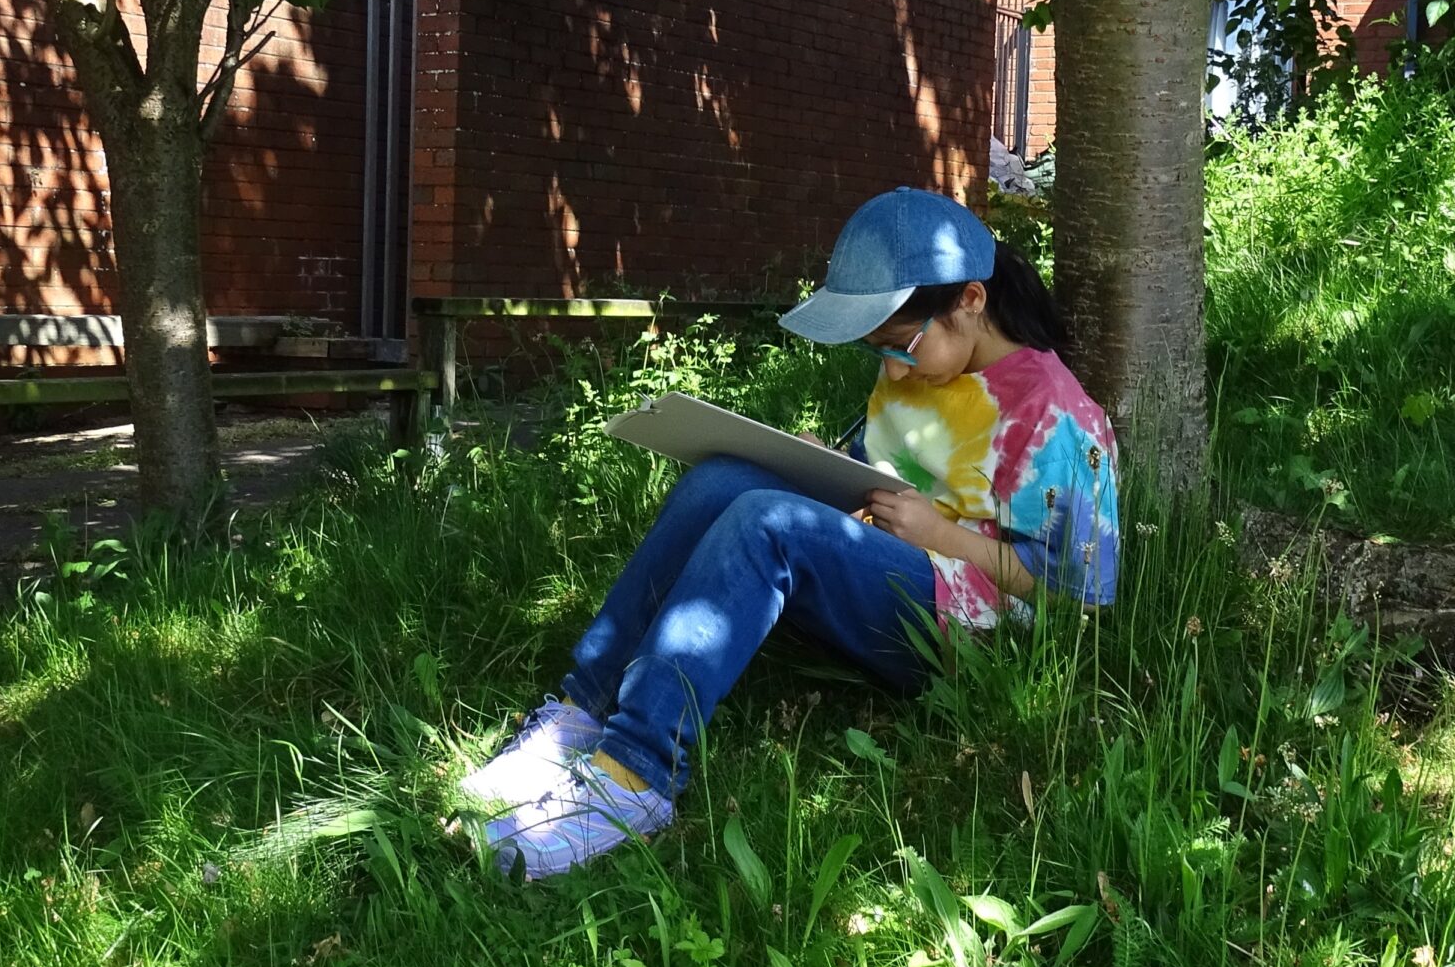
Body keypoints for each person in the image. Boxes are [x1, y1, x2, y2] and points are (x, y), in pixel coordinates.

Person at [461, 187, 1120, 881]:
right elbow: (883, 470)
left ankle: (633, 777)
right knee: (724, 480)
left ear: (972, 300)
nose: (892, 368)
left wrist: (942, 534)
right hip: (885, 566)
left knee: (763, 522)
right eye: (879, 351)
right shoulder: (927, 364)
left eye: (902, 346)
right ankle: (579, 712)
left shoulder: (1058, 414)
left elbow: (1078, 586)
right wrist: (824, 461)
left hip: (965, 628)